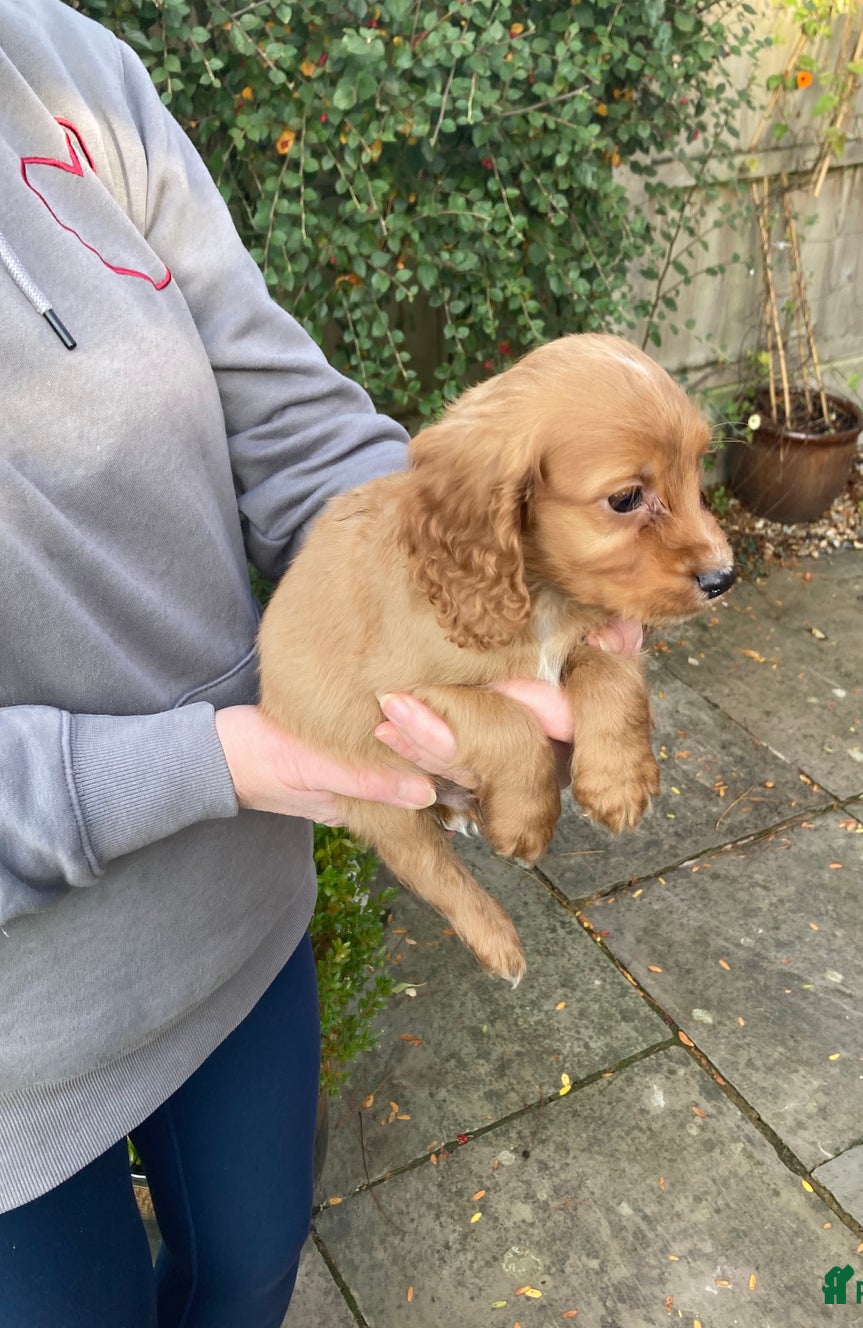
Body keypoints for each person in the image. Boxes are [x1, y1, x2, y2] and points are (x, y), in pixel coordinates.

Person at [0, 4, 640, 1325]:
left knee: (248, 1276)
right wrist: (212, 759)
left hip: (238, 916)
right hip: (18, 1045)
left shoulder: (64, 73)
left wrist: (480, 584)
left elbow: (286, 412)